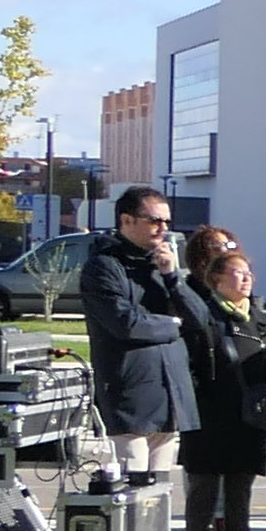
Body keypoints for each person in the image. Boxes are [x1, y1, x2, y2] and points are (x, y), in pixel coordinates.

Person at [173, 226, 266, 531]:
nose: (247, 279)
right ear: (217, 280)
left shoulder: (258, 316)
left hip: (247, 420)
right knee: (202, 496)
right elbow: (189, 365)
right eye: (238, 274)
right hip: (208, 417)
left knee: (240, 495)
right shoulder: (203, 315)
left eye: (249, 273)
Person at [81, 189, 193, 483]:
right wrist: (173, 325)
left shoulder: (160, 263)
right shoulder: (104, 265)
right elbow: (126, 323)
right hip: (129, 393)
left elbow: (198, 318)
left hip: (168, 390)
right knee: (133, 486)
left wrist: (172, 276)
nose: (163, 229)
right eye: (155, 220)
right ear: (127, 220)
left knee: (159, 490)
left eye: (167, 221)